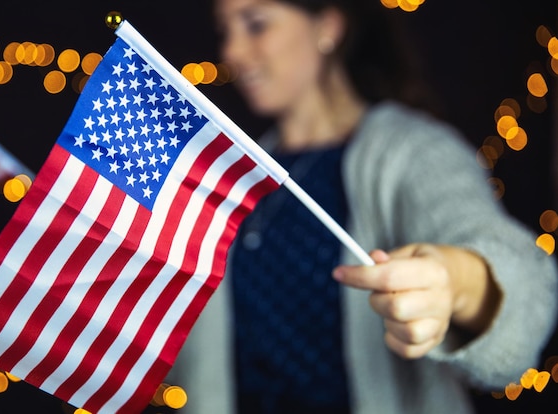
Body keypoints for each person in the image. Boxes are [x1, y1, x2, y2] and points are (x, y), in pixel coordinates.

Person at [167, 0, 558, 413]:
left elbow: (525, 288)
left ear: (328, 27)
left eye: (256, 24)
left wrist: (456, 283)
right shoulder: (233, 175)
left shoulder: (412, 152)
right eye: (225, 32)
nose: (232, 52)